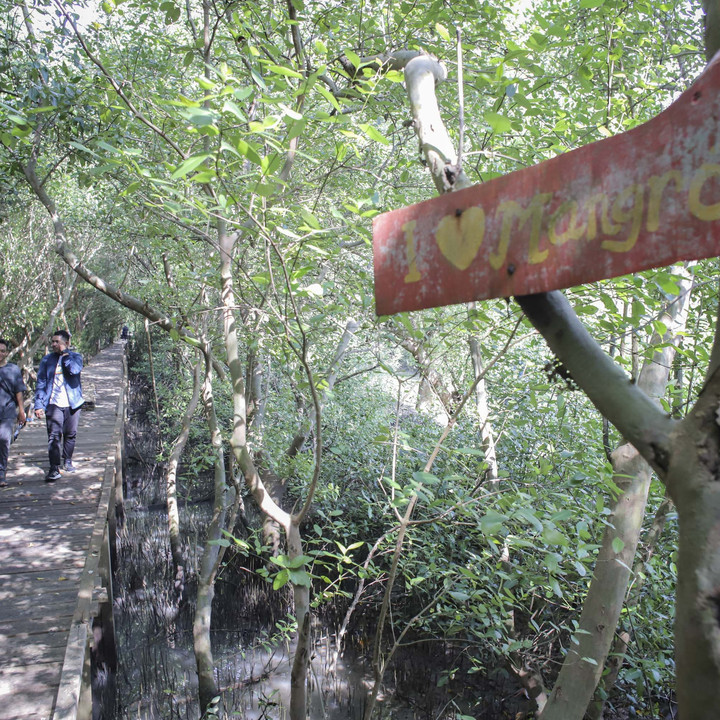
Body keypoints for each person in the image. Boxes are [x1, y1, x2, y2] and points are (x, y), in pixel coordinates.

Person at [34, 330, 84, 483]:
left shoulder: (76, 357)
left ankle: (67, 461)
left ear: (66, 343)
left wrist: (66, 355)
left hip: (72, 402)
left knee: (70, 434)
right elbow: (41, 382)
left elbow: (74, 370)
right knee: (54, 436)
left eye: (57, 342)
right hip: (53, 403)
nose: (54, 344)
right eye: (53, 341)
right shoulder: (47, 360)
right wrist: (38, 405)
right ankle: (54, 468)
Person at [0, 338, 26, 488]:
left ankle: (1, 472)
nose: (0, 353)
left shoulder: (13, 369)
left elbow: (19, 391)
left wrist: (21, 411)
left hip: (7, 411)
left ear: (6, 353)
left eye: (2, 351)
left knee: (4, 439)